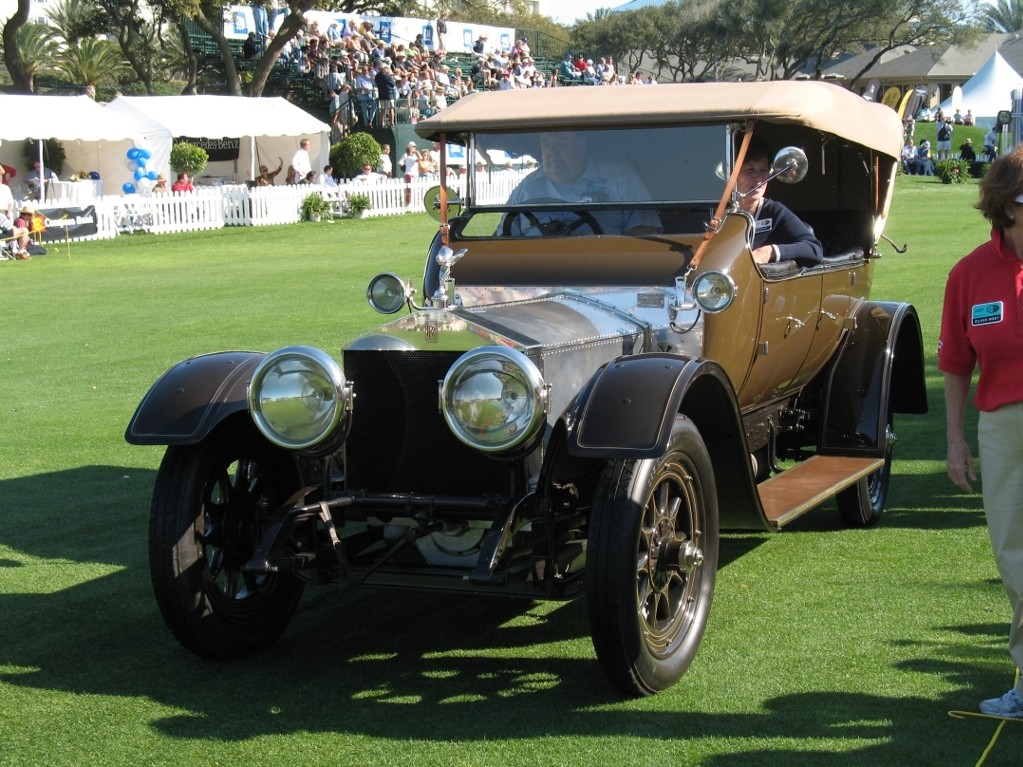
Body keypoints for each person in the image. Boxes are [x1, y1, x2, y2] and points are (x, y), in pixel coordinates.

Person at [939, 145, 1023, 719]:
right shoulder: (969, 273)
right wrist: (955, 439)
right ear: (1008, 206)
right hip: (1001, 425)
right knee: (1014, 556)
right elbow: (954, 363)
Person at [503, 131, 662, 236]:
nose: (552, 152)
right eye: (546, 144)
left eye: (561, 143)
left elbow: (646, 233)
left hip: (605, 272)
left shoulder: (621, 180)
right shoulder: (527, 188)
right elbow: (504, 236)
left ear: (582, 145)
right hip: (536, 274)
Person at [734, 143, 823, 267]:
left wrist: (769, 252)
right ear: (732, 173)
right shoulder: (715, 211)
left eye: (764, 170)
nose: (759, 178)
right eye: (750, 170)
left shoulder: (774, 212)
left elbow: (814, 249)